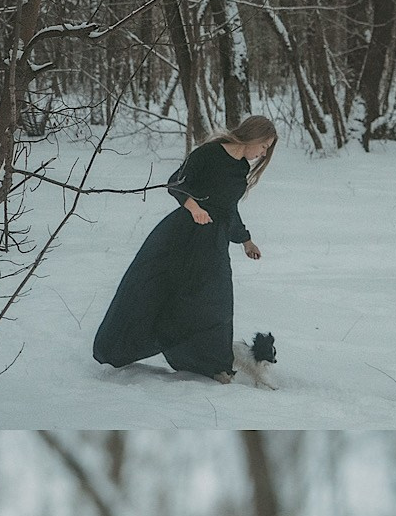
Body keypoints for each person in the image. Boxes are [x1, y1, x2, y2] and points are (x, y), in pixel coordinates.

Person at [93, 115, 277, 383]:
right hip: (181, 236)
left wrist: (246, 240)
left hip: (212, 242)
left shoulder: (240, 169)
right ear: (253, 137)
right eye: (264, 146)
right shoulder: (210, 153)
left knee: (215, 301)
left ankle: (213, 365)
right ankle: (122, 347)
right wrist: (194, 208)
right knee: (157, 291)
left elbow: (228, 208)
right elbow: (176, 181)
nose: (263, 153)